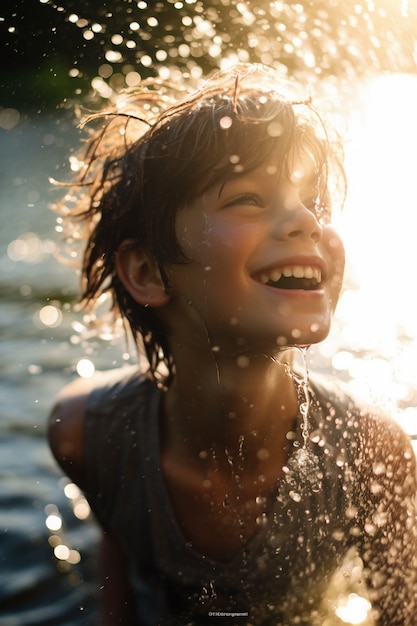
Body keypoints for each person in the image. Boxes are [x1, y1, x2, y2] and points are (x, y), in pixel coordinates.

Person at [48, 63, 417, 625]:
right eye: (248, 198)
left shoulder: (373, 453)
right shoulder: (87, 435)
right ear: (147, 271)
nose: (304, 221)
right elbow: (116, 590)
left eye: (313, 201)